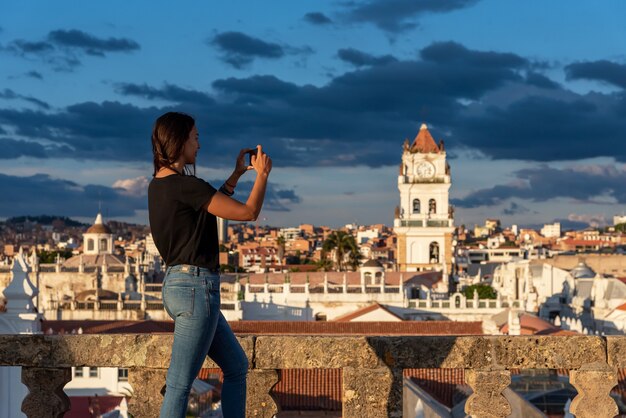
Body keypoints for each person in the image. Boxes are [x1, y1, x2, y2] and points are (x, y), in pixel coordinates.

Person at [148, 111, 272, 418]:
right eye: (195, 137)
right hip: (195, 289)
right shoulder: (186, 185)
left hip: (178, 285)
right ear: (179, 141)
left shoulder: (159, 186)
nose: (198, 145)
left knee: (236, 366)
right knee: (179, 386)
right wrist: (262, 175)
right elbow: (247, 213)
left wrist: (235, 176)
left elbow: (206, 207)